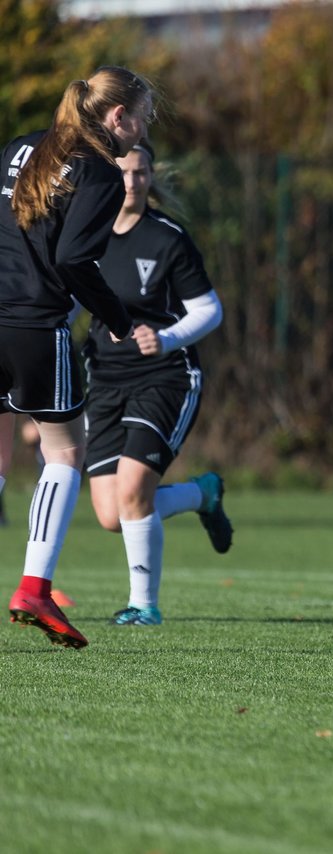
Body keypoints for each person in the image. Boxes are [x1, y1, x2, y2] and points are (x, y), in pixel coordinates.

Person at [2, 67, 153, 648]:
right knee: (66, 452)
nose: (143, 129)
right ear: (118, 117)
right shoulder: (98, 171)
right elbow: (72, 261)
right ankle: (34, 588)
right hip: (35, 326)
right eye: (143, 117)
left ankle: (35, 590)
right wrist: (117, 318)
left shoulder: (19, 147)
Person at [84, 138, 233, 627]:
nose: (132, 182)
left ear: (151, 177)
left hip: (165, 377)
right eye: (124, 173)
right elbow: (66, 300)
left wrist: (166, 338)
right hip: (105, 379)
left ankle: (144, 606)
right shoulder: (86, 235)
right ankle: (201, 494)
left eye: (141, 173)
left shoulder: (168, 238)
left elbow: (210, 310)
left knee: (132, 491)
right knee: (111, 515)